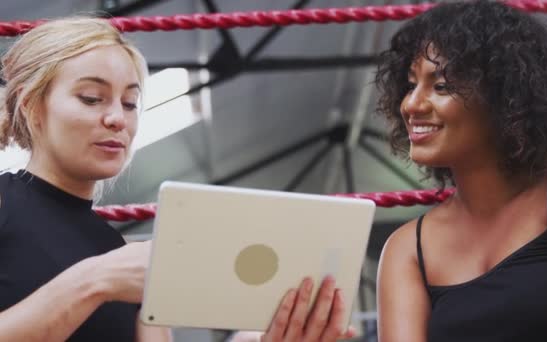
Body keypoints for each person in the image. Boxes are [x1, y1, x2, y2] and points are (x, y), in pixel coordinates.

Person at [0, 17, 355, 342]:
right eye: (91, 98)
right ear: (32, 107)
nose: (117, 119)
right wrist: (94, 281)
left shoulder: (123, 257)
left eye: (129, 103)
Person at [375, 1, 547, 341]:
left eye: (441, 86)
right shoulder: (406, 249)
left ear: (506, 96)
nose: (412, 104)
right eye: (411, 85)